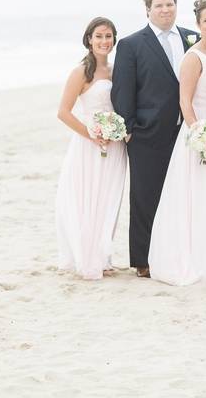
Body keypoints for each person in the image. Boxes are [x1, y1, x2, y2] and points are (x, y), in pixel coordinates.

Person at [148, 0, 206, 285]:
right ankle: (197, 259)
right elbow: (184, 101)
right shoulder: (193, 57)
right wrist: (200, 135)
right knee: (200, 194)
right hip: (202, 131)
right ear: (199, 25)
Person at [111, 0, 199, 277]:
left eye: (170, 4)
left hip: (185, 132)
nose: (165, 10)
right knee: (146, 196)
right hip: (147, 133)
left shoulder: (192, 38)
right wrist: (130, 128)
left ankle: (180, 250)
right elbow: (123, 91)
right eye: (159, 5)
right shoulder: (131, 44)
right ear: (148, 9)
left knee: (183, 194)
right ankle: (144, 260)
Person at [55, 17, 126, 279]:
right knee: (89, 198)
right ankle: (88, 257)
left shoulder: (117, 70)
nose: (104, 41)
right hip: (89, 145)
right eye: (99, 36)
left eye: (108, 36)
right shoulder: (81, 72)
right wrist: (92, 135)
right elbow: (63, 112)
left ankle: (103, 254)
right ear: (89, 39)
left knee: (109, 199)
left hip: (115, 145)